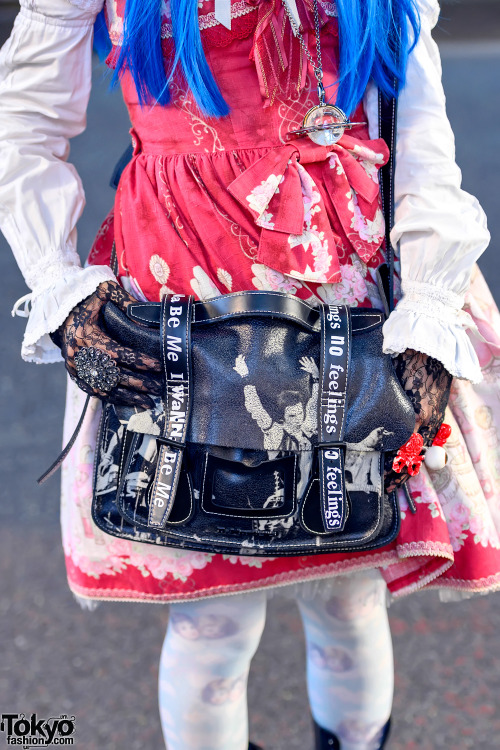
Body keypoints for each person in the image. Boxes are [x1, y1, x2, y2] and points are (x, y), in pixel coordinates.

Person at [1, 0, 499, 747]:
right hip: (185, 308)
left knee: (348, 590)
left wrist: (430, 302)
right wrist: (60, 284)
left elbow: (420, 133)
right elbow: (26, 119)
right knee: (210, 619)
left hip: (340, 302)